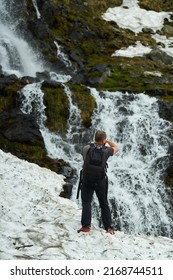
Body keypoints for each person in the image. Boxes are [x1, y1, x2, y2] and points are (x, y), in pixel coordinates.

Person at [78, 130, 119, 234]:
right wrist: (108, 141)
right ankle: (109, 228)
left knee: (86, 202)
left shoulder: (86, 148)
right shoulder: (107, 150)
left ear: (94, 138)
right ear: (104, 140)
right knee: (104, 203)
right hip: (100, 181)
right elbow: (117, 148)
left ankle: (86, 226)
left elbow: (84, 158)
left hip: (87, 180)